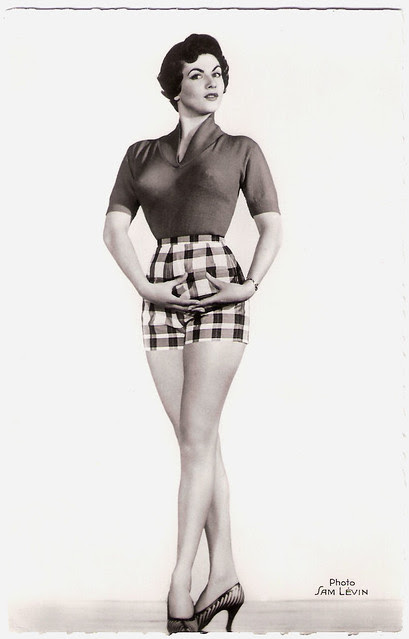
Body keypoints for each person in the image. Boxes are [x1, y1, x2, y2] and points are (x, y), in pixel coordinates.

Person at [103, 33, 282, 633]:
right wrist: (146, 288)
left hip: (216, 290)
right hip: (160, 292)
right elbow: (114, 230)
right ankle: (224, 573)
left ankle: (180, 581)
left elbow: (272, 226)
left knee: (196, 441)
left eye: (218, 73)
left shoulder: (241, 149)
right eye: (198, 73)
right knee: (196, 440)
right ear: (174, 86)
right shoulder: (140, 155)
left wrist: (247, 285)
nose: (213, 82)